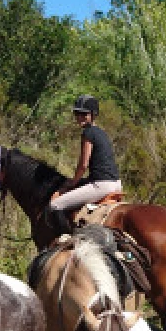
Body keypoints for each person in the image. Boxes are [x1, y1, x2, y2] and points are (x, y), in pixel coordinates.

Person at [46, 94, 122, 235]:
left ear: (93, 115)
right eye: (77, 113)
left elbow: (83, 165)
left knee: (55, 205)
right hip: (116, 183)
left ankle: (66, 239)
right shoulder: (102, 133)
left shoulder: (88, 133)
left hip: (102, 185)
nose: (79, 117)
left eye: (83, 114)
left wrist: (72, 183)